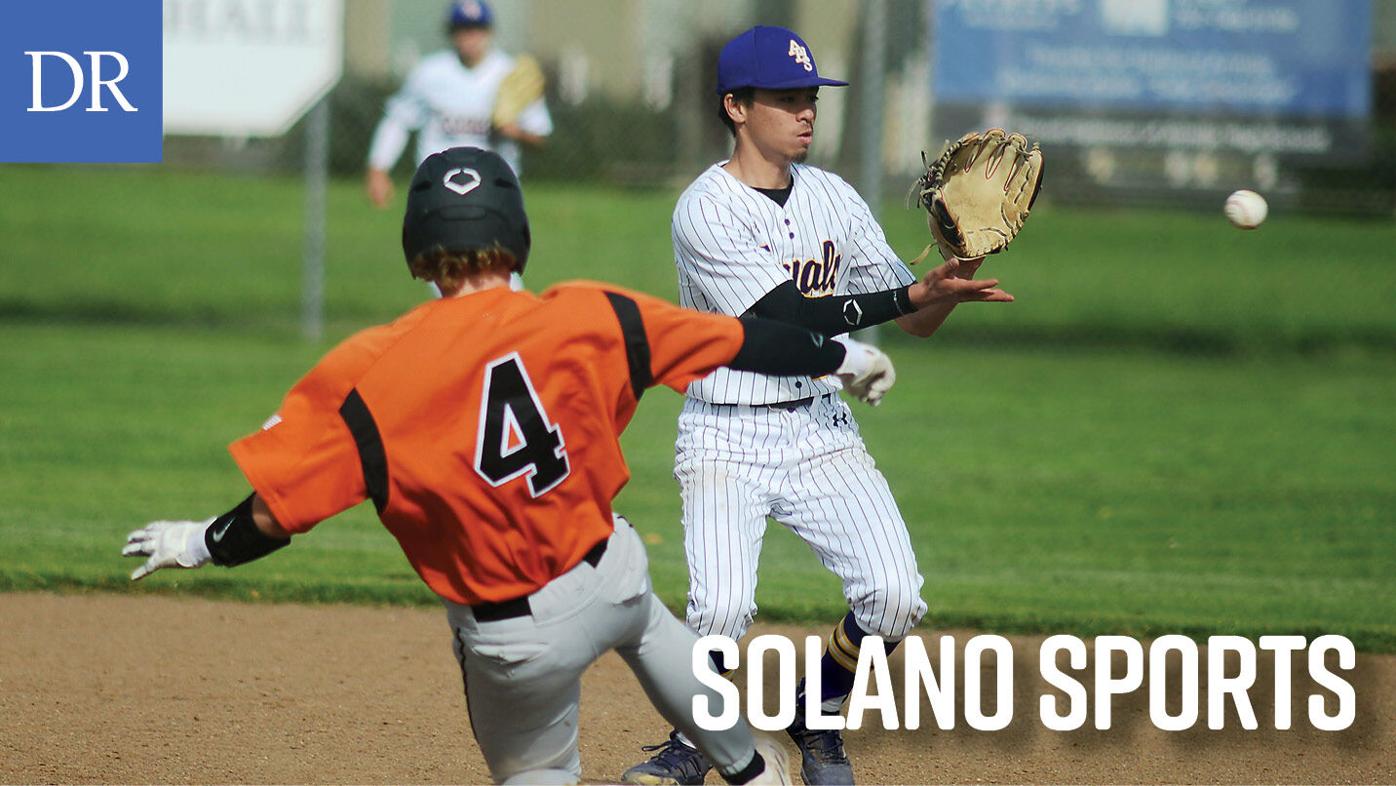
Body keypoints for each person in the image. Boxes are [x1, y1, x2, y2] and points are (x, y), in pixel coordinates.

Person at [121, 146, 904, 786]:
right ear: (517, 234)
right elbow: (742, 338)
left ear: (418, 251)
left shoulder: (372, 369)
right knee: (653, 627)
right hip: (609, 573)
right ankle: (746, 767)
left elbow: (275, 514)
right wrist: (845, 355)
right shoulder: (590, 312)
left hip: (511, 640)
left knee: (538, 769)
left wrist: (199, 541)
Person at [620, 26, 1015, 786]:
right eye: (787, 99)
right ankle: (687, 744)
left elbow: (914, 318)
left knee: (896, 596)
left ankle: (817, 711)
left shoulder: (835, 196)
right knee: (721, 610)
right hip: (724, 432)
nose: (806, 113)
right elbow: (779, 321)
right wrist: (906, 292)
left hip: (818, 428)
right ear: (736, 106)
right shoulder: (705, 209)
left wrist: (955, 271)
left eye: (810, 98)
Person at [364, 0, 552, 210]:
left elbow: (540, 137)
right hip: (437, 185)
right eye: (462, 29)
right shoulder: (430, 73)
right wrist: (378, 170)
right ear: (450, 32)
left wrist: (514, 132)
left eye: (476, 29)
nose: (469, 37)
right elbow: (397, 121)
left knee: (493, 244)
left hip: (496, 188)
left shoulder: (510, 74)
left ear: (489, 32)